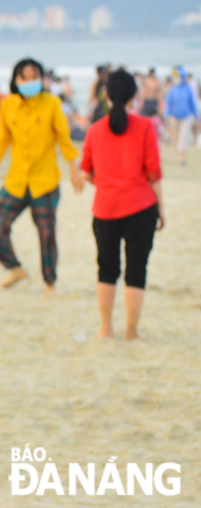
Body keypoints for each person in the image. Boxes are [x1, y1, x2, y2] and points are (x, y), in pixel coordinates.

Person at [0, 58, 84, 294]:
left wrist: (74, 170)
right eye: (24, 77)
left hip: (45, 180)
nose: (30, 81)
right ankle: (14, 268)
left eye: (34, 76)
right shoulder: (7, 106)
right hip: (16, 180)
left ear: (42, 78)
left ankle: (50, 282)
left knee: (47, 233)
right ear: (16, 80)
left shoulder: (52, 104)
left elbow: (64, 139)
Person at [80, 69, 163, 341]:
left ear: (105, 96)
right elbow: (152, 173)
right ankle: (131, 331)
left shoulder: (94, 130)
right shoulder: (145, 126)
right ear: (134, 97)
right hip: (141, 206)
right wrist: (161, 208)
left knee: (106, 269)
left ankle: (106, 329)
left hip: (105, 208)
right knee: (136, 270)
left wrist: (107, 184)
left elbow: (86, 172)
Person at [164, 66, 198, 166]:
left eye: (178, 76)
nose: (176, 78)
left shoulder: (188, 89)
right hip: (174, 117)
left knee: (184, 136)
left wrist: (197, 118)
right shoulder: (173, 89)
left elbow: (193, 104)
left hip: (187, 117)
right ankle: (178, 151)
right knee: (176, 136)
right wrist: (166, 114)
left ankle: (182, 157)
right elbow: (169, 103)